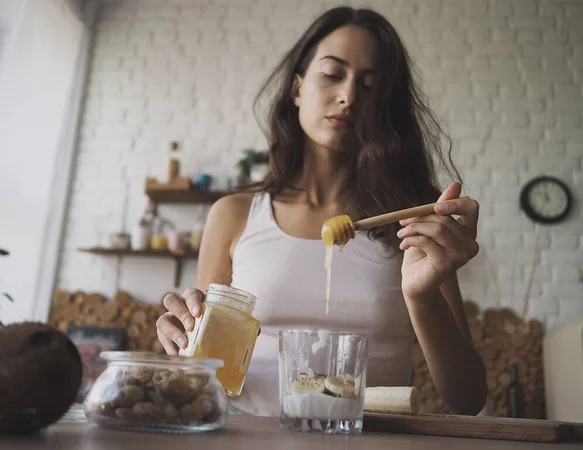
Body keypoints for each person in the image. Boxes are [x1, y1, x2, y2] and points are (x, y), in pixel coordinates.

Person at [156, 6, 487, 417]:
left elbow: (468, 398)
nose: (349, 96)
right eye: (332, 75)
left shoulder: (412, 222)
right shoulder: (233, 214)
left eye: (370, 86)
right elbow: (201, 372)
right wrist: (182, 339)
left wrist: (420, 296)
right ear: (297, 89)